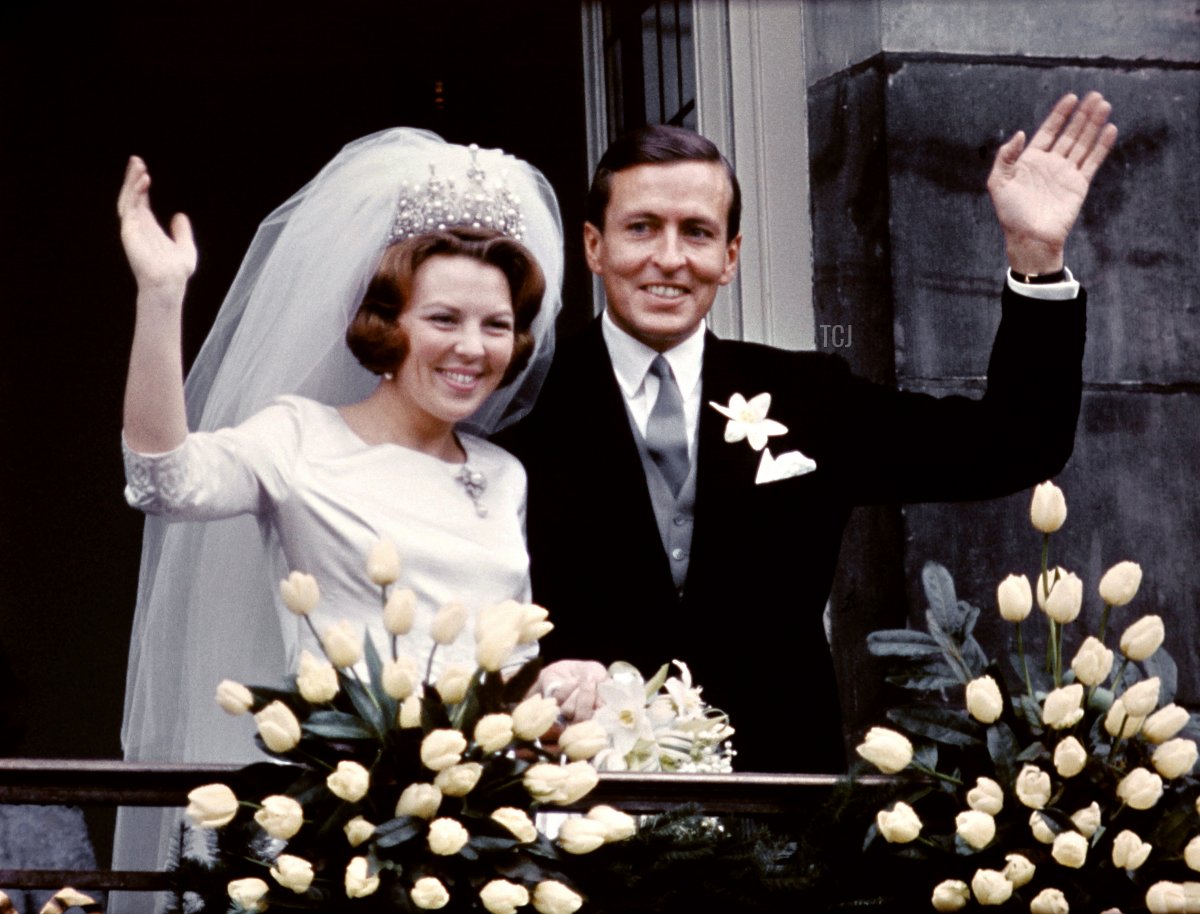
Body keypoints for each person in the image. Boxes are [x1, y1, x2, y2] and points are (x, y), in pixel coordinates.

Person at [506, 92, 1116, 772]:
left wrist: (1035, 252)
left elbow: (1015, 443)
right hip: (575, 805)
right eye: (642, 228)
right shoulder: (520, 406)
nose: (671, 259)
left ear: (731, 256)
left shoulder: (810, 396)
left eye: (698, 232)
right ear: (594, 246)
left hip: (781, 799)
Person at [112, 130, 563, 910]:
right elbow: (163, 480)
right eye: (444, 318)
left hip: (486, 838)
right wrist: (160, 298)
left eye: (496, 325)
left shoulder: (504, 475)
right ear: (389, 322)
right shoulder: (300, 437)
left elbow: (505, 665)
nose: (471, 348)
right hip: (339, 836)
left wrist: (563, 685)